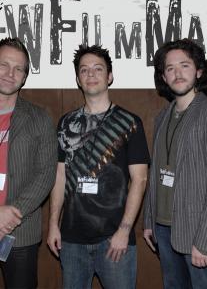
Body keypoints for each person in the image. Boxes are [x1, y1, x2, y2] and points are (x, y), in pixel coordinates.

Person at [47, 44, 150, 289]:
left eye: (97, 69)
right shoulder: (66, 122)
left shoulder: (130, 122)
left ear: (109, 76)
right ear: (78, 79)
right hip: (71, 242)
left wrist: (124, 231)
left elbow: (140, 180)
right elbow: (59, 176)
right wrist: (53, 224)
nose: (91, 74)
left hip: (114, 240)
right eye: (84, 70)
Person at [143, 38, 207, 288]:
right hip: (164, 229)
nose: (177, 73)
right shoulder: (163, 116)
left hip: (200, 233)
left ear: (199, 70)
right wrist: (149, 220)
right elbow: (157, 173)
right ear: (163, 76)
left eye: (184, 65)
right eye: (170, 68)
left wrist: (205, 242)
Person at [0, 37, 57, 288]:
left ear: (24, 77)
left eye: (19, 68)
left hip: (19, 231)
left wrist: (9, 215)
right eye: (4, 65)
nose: (10, 74)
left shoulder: (39, 118)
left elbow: (46, 173)